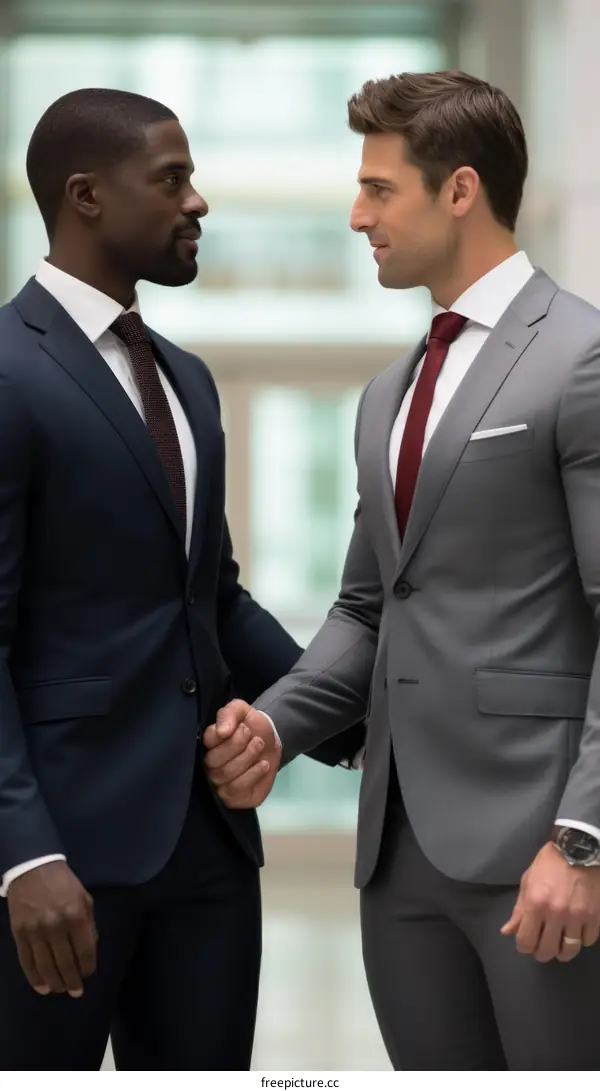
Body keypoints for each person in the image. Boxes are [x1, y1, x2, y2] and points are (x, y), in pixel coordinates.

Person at [202, 70, 600, 1071]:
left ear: (459, 190)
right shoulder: (390, 393)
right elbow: (369, 606)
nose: (357, 214)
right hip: (398, 856)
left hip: (542, 845)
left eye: (381, 188)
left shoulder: (583, 356)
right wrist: (279, 724)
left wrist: (585, 837)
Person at [0, 87, 363, 1072]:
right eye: (172, 180)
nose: (197, 202)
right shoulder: (6, 368)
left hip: (211, 853)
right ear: (85, 196)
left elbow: (213, 597)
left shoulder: (188, 380)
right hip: (59, 861)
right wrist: (22, 853)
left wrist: (345, 718)